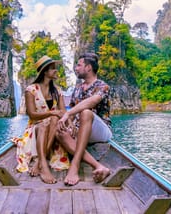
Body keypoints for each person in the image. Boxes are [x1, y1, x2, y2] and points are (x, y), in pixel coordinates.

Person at [57, 52, 112, 186]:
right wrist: (70, 125)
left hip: (100, 130)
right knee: (59, 132)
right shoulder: (77, 89)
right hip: (80, 129)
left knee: (86, 113)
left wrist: (68, 115)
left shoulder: (103, 86)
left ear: (88, 68)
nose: (76, 68)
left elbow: (91, 102)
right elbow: (71, 109)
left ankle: (74, 167)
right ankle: (98, 166)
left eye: (79, 65)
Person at [13, 55, 70, 184]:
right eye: (52, 69)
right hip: (36, 128)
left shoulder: (57, 91)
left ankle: (39, 161)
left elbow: (63, 112)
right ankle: (44, 165)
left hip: (53, 127)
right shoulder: (31, 90)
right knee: (47, 123)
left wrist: (66, 121)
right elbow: (32, 115)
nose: (56, 71)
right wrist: (51, 113)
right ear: (45, 72)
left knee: (54, 119)